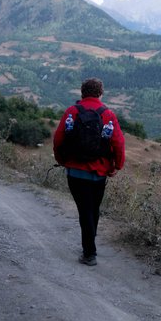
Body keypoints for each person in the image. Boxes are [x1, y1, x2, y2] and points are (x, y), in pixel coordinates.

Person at [53, 78, 125, 266]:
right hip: (99, 173)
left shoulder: (71, 112)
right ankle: (89, 250)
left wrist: (62, 160)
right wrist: (117, 165)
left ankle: (89, 252)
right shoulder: (108, 114)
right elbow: (118, 142)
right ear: (101, 93)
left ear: (82, 92)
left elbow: (58, 139)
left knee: (85, 210)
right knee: (92, 209)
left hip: (75, 172)